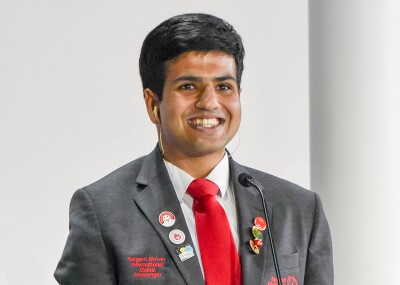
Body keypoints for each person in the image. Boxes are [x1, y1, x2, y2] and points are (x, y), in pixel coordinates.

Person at [54, 13, 333, 285]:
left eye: (224, 86)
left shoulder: (298, 208)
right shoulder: (103, 210)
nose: (210, 102)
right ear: (153, 104)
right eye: (189, 86)